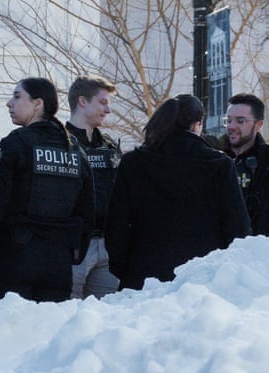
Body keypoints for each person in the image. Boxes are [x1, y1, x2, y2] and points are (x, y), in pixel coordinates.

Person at [107, 94, 251, 290]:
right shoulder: (219, 164)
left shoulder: (134, 162)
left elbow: (117, 224)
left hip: (142, 275)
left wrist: (122, 268)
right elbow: (237, 226)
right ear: (197, 125)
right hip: (202, 280)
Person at [0, 78, 93, 303]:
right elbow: (86, 210)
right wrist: (75, 253)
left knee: (6, 331)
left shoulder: (16, 144)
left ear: (38, 104)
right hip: (58, 262)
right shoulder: (75, 150)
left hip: (13, 257)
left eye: (17, 96)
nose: (10, 103)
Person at [65, 76, 122, 299]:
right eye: (103, 102)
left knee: (104, 320)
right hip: (74, 246)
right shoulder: (61, 143)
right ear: (82, 101)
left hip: (108, 246)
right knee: (66, 315)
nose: (108, 110)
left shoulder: (109, 145)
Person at [220, 93, 269, 235]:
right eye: (228, 120)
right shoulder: (214, 160)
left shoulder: (266, 161)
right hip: (220, 254)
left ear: (258, 125)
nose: (231, 126)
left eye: (240, 121)